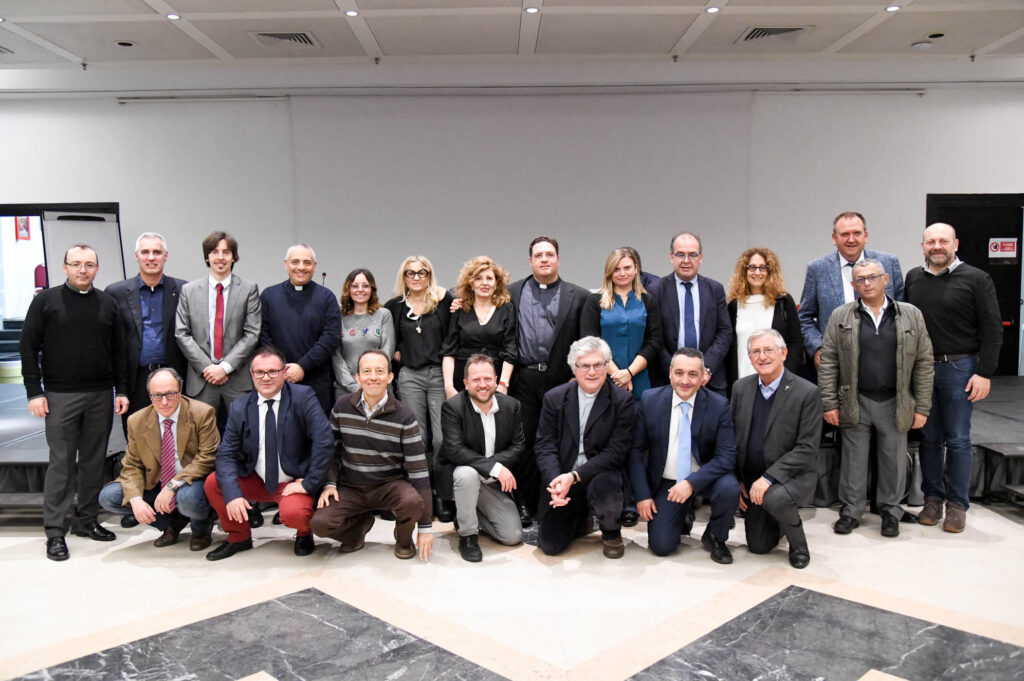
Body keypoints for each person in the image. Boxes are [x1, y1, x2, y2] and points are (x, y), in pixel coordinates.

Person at [20, 244, 129, 561]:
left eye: (89, 264)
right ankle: (55, 531)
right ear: (65, 266)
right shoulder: (46, 301)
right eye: (76, 264)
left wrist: (121, 390)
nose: (83, 270)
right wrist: (33, 392)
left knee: (94, 461)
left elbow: (119, 352)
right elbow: (28, 347)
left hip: (100, 395)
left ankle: (86, 520)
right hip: (59, 396)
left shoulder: (107, 304)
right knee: (62, 463)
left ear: (97, 268)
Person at [819, 259, 933, 538]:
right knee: (853, 460)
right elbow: (829, 361)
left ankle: (891, 512)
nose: (867, 283)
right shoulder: (841, 316)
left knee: (894, 459)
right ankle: (850, 511)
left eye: (872, 277)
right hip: (855, 400)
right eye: (860, 279)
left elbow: (924, 362)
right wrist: (830, 402)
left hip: (896, 401)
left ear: (885, 280)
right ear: (853, 285)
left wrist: (921, 406)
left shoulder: (910, 315)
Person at [905, 223, 1003, 533]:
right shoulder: (913, 278)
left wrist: (984, 372)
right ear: (922, 246)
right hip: (922, 370)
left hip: (960, 368)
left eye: (943, 241)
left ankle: (958, 505)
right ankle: (933, 499)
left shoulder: (976, 278)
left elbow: (992, 329)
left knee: (959, 439)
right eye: (931, 241)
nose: (937, 246)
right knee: (929, 437)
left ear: (955, 244)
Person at [203, 346, 334, 560]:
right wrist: (233, 495)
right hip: (257, 477)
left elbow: (324, 440)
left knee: (295, 514)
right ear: (252, 375)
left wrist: (309, 482)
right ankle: (239, 537)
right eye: (260, 372)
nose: (266, 377)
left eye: (273, 371)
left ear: (284, 372)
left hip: (292, 481)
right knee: (214, 483)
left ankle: (303, 534)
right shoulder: (240, 406)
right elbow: (226, 454)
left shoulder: (303, 397)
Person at [310, 350, 434, 561]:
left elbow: (419, 471)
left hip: (389, 485)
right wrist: (330, 483)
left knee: (412, 501)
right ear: (357, 377)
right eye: (366, 371)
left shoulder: (405, 416)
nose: (373, 377)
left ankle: (403, 539)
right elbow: (332, 451)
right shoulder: (341, 407)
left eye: (379, 371)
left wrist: (425, 527)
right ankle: (357, 530)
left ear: (390, 377)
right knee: (319, 524)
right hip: (351, 486)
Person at [629, 347, 739, 563]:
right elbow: (636, 451)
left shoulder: (719, 406)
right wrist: (642, 495)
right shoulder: (650, 400)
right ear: (670, 373)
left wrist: (691, 483)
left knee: (729, 488)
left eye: (692, 374)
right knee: (661, 546)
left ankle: (716, 535)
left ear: (704, 376)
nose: (685, 381)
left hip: (703, 476)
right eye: (679, 373)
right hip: (667, 481)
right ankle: (682, 513)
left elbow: (726, 456)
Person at [508, 237, 589, 524]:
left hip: (563, 381)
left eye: (549, 254)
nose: (544, 259)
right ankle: (526, 503)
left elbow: (585, 340)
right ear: (530, 260)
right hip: (524, 379)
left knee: (560, 442)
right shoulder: (511, 292)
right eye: (538, 255)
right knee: (525, 442)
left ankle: (561, 502)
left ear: (558, 259)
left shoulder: (578, 296)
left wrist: (575, 378)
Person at [535, 337, 634, 559]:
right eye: (584, 366)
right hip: (563, 475)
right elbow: (545, 445)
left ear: (607, 367)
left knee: (604, 485)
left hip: (600, 473)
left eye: (598, 365)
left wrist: (575, 476)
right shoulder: (554, 398)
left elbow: (616, 453)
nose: (592, 372)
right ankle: (580, 514)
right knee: (550, 545)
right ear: (574, 368)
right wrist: (555, 481)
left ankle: (610, 530)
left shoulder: (622, 401)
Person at [98, 368, 219, 551]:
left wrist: (173, 485)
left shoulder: (202, 413)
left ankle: (201, 528)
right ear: (149, 395)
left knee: (188, 499)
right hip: (156, 482)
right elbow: (132, 465)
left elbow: (207, 457)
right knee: (109, 497)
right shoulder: (136, 420)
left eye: (170, 394)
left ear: (180, 389)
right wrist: (136, 499)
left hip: (190, 480)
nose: (164, 402)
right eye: (157, 395)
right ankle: (170, 525)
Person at [730, 329, 821, 569]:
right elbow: (732, 437)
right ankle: (779, 520)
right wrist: (737, 478)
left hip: (792, 477)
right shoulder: (741, 388)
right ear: (749, 358)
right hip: (753, 479)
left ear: (783, 353)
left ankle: (798, 544)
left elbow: (807, 447)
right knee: (758, 546)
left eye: (769, 350)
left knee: (777, 498)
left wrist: (769, 478)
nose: (763, 356)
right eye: (756, 352)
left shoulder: (807, 392)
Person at [384, 255, 454, 520]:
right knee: (418, 439)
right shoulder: (394, 307)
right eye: (410, 273)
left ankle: (443, 497)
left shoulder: (443, 301)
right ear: (403, 278)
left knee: (441, 439)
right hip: (410, 376)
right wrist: (399, 352)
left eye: (421, 272)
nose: (416, 278)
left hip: (438, 375)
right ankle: (423, 495)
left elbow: (452, 334)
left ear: (429, 275)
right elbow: (390, 339)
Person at [440, 354, 525, 562]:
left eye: (488, 379)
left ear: (496, 380)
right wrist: (495, 468)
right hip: (462, 476)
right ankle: (468, 535)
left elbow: (519, 445)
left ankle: (466, 514)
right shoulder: (453, 407)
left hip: (490, 483)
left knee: (512, 536)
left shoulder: (511, 405)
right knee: (467, 474)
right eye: (476, 380)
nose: (483, 384)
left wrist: (494, 469)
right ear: (466, 383)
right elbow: (455, 449)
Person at [175, 231, 262, 431]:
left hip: (237, 379)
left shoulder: (249, 289)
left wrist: (224, 367)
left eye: (226, 252)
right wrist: (208, 368)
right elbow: (182, 333)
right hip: (202, 379)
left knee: (245, 435)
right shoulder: (189, 290)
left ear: (234, 257)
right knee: (200, 437)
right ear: (207, 256)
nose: (220, 257)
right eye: (214, 252)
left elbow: (252, 333)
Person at [799, 212, 904, 371]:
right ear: (834, 238)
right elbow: (804, 317)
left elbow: (902, 311)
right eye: (844, 234)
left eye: (857, 233)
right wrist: (818, 348)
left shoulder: (888, 263)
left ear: (866, 236)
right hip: (837, 361)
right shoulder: (818, 269)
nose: (851, 239)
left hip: (885, 359)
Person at [105, 232, 188, 427]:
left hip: (174, 377)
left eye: (157, 252)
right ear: (136, 256)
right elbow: (114, 345)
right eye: (145, 252)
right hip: (136, 380)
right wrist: (121, 390)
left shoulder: (183, 289)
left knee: (176, 437)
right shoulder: (115, 293)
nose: (151, 257)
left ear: (165, 256)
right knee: (139, 438)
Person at [259, 244, 341, 415]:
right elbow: (263, 335)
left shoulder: (327, 298)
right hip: (277, 379)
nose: (301, 267)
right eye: (295, 262)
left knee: (316, 436)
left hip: (317, 382)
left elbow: (330, 338)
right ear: (286, 264)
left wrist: (302, 367)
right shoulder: (268, 296)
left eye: (307, 262)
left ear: (315, 266)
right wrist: (280, 368)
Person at [651, 232, 732, 395]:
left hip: (709, 381)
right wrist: (676, 372)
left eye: (692, 255)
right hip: (667, 381)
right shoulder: (656, 290)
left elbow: (724, 332)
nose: (686, 261)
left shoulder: (715, 289)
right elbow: (654, 337)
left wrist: (705, 369)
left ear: (700, 257)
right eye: (680, 254)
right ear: (671, 257)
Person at [580, 247, 663, 399]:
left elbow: (654, 341)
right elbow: (590, 341)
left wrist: (630, 373)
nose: (622, 273)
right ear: (609, 272)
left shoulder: (648, 301)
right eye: (616, 269)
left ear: (636, 269)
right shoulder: (594, 301)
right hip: (604, 377)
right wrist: (618, 375)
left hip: (642, 378)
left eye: (627, 268)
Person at [725, 247, 804, 390]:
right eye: (752, 267)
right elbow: (729, 350)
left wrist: (785, 379)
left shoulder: (783, 302)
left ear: (770, 271)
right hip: (743, 384)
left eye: (762, 268)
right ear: (744, 271)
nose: (757, 272)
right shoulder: (734, 306)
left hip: (778, 385)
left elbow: (796, 343)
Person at [442, 256, 517, 398]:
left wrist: (502, 384)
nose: (484, 283)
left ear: (497, 283)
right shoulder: (460, 309)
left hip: (494, 381)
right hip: (463, 380)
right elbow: (449, 352)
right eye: (478, 278)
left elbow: (510, 350)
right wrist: (449, 387)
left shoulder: (506, 309)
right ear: (470, 283)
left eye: (489, 278)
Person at [332, 268, 395, 401]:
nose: (360, 290)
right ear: (348, 289)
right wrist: (353, 386)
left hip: (378, 386)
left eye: (365, 286)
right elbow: (336, 357)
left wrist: (372, 382)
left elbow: (387, 352)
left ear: (372, 289)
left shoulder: (383, 315)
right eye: (354, 286)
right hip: (346, 389)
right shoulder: (338, 316)